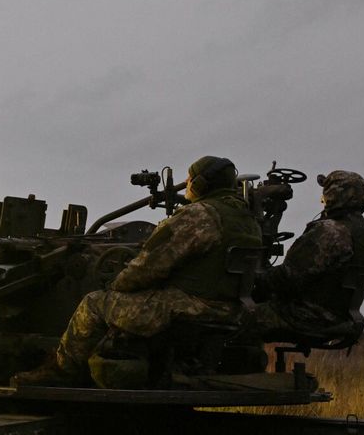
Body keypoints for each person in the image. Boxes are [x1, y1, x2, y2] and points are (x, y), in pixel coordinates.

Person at [14, 155, 262, 388]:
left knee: (94, 304)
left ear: (199, 184)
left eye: (189, 180)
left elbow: (148, 267)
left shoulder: (198, 215)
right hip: (230, 312)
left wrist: (116, 285)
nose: (186, 185)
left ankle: (59, 373)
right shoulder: (249, 221)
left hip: (190, 308)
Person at [255, 171, 364, 342]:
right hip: (339, 319)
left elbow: (287, 278)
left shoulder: (330, 232)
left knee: (237, 317)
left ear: (334, 196)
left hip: (306, 317)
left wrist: (255, 280)